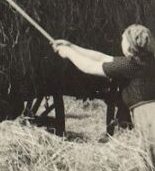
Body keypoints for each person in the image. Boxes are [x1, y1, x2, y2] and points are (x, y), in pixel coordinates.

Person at [53, 25, 155, 163]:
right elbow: (103, 58)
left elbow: (89, 67)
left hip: (148, 118)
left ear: (130, 46)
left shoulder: (130, 66)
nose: (121, 42)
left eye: (123, 39)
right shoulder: (144, 62)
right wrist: (72, 46)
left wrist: (68, 53)